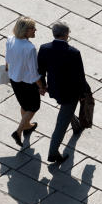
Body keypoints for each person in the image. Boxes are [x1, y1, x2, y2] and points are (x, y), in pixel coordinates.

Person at [37, 21, 91, 166]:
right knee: (61, 124)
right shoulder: (73, 52)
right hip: (70, 93)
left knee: (66, 110)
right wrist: (83, 92)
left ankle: (76, 126)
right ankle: (53, 154)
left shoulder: (44, 48)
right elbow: (80, 77)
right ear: (66, 35)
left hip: (54, 90)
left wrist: (41, 86)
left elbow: (40, 70)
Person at [5, 16, 46, 147]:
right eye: (32, 28)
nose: (35, 30)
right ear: (25, 30)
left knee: (24, 105)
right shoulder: (29, 48)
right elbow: (34, 73)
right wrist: (41, 87)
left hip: (14, 79)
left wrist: (7, 69)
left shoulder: (10, 39)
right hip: (27, 83)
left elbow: (7, 59)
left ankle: (27, 125)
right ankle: (18, 132)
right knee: (34, 107)